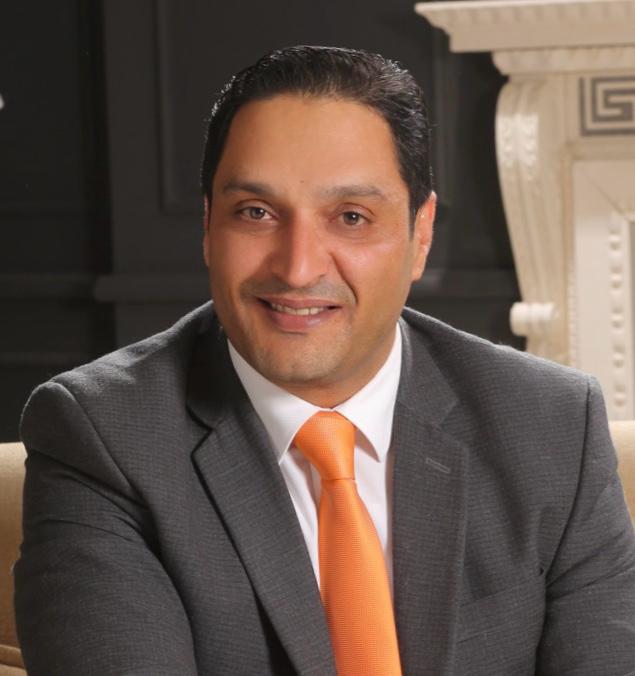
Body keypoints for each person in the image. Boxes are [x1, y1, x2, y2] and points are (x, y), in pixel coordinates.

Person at [15, 45, 635, 676]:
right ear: (208, 226)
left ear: (421, 234)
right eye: (256, 213)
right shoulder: (103, 437)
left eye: (351, 217)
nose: (298, 267)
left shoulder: (552, 425)